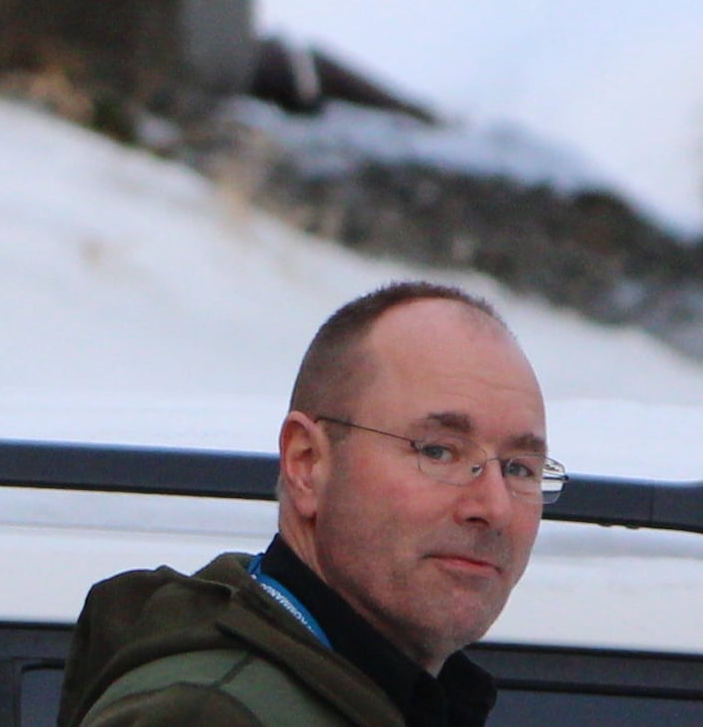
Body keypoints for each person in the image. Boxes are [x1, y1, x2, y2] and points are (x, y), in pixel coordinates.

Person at [67, 282, 559, 727]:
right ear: (307, 463)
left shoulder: (379, 697)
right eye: (439, 451)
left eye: (519, 468)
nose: (493, 506)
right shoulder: (211, 714)